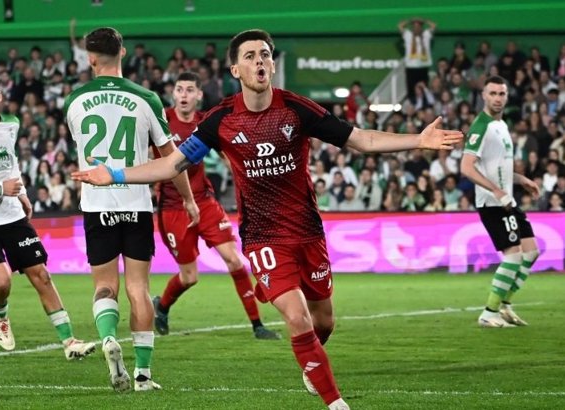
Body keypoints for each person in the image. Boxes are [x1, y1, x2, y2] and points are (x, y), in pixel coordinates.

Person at [72, 29, 462, 410]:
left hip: (308, 233)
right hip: (262, 235)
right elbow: (171, 164)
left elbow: (362, 139)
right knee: (296, 317)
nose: (259, 61)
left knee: (323, 323)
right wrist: (116, 174)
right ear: (235, 71)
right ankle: (335, 400)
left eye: (265, 55)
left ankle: (302, 346)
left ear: (272, 66)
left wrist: (418, 140)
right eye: (250, 56)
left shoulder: (298, 108)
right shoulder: (219, 119)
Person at [63, 27, 199, 393]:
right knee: (139, 290)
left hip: (96, 206)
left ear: (91, 58)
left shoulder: (74, 101)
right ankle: (142, 375)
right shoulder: (147, 99)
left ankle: (108, 337)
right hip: (136, 205)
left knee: (105, 287)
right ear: (122, 52)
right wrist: (187, 199)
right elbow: (172, 158)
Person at [0, 69, 96, 360]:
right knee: (2, 282)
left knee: (41, 274)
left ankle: (69, 342)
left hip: (11, 213)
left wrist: (22, 192)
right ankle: (0, 315)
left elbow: (10, 163)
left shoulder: (12, 123)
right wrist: (1, 188)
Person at [151, 71, 280, 340]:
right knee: (189, 277)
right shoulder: (162, 120)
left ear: (199, 95)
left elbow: (229, 156)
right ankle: (162, 307)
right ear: (173, 94)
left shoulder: (206, 122)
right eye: (179, 89)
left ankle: (257, 325)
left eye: (189, 90)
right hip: (173, 208)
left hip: (204, 201)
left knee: (234, 260)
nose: (183, 95)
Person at [460, 75, 540, 328]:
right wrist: (497, 191)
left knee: (531, 252)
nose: (497, 98)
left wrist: (520, 179)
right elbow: (467, 167)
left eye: (501, 94)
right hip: (493, 203)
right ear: (483, 95)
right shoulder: (481, 126)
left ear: (507, 96)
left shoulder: (502, 126)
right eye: (492, 93)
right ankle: (489, 312)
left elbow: (497, 168)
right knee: (514, 256)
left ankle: (505, 304)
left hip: (507, 200)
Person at [398, 17, 436, 104]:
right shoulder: (408, 35)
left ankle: (425, 104)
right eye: (415, 27)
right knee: (411, 88)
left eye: (418, 26)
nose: (416, 28)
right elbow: (400, 26)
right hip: (411, 67)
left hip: (423, 66)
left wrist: (424, 21)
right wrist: (410, 21)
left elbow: (434, 26)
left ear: (421, 28)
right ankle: (413, 104)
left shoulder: (426, 35)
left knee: (424, 88)